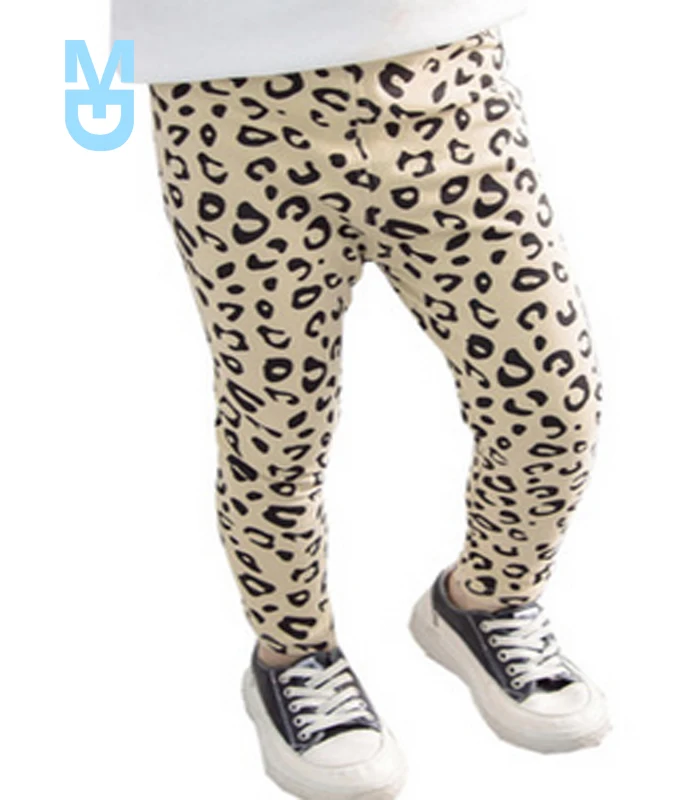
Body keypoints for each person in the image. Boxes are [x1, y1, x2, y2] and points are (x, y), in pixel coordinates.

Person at [111, 2, 611, 797]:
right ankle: (294, 655)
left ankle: (486, 601)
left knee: (552, 394)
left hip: (445, 76)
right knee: (275, 421)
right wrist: (88, 85)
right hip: (229, 111)